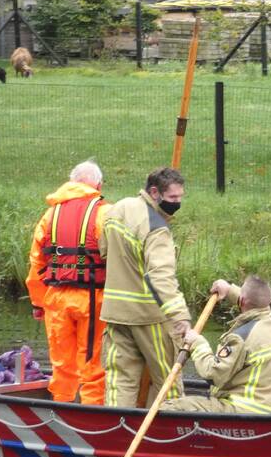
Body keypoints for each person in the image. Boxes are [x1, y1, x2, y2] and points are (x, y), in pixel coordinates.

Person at [99, 167, 191, 407]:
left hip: (116, 312)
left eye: (181, 197)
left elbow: (103, 249)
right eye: (173, 198)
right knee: (168, 381)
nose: (178, 203)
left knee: (120, 379)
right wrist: (180, 316)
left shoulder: (118, 208)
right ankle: (168, 432)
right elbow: (161, 277)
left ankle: (118, 430)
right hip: (150, 317)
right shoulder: (157, 228)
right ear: (154, 192)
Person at [26, 160, 109, 404]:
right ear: (99, 185)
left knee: (61, 362)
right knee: (92, 362)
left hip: (56, 298)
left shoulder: (50, 214)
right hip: (94, 299)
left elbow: (36, 262)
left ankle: (61, 406)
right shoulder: (104, 212)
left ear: (71, 182)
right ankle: (92, 414)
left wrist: (37, 303)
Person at [164, 276, 271, 414]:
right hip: (265, 406)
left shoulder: (240, 338)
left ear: (242, 300)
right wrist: (229, 290)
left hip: (240, 410)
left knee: (171, 408)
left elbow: (213, 375)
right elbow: (256, 302)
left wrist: (197, 343)